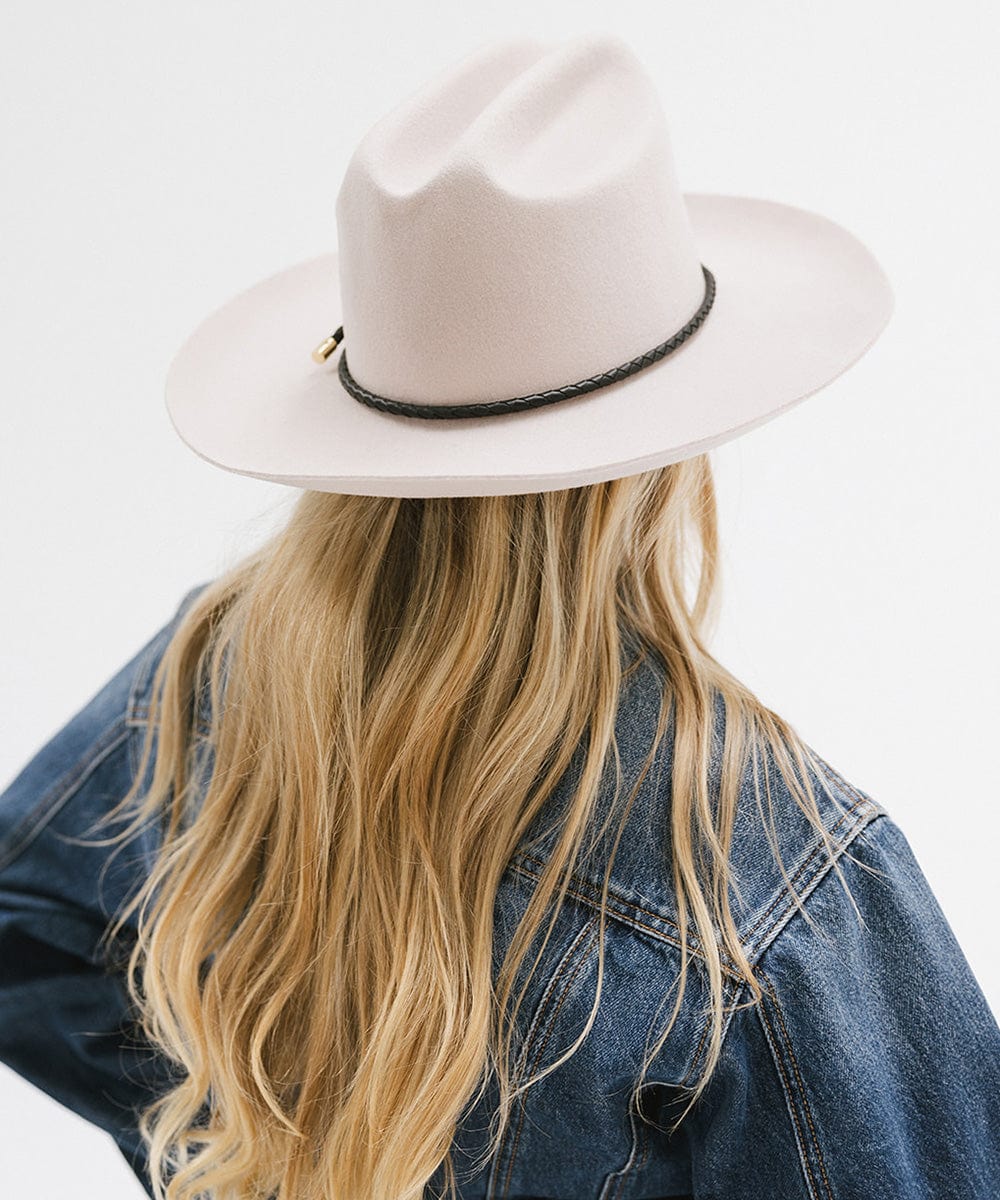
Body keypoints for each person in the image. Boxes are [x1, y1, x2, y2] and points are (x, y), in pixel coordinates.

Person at [1, 30, 998, 1200]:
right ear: (659, 464)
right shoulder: (774, 877)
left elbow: (34, 935)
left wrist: (224, 1153)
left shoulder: (224, 661)